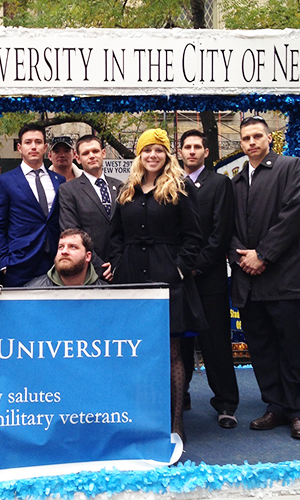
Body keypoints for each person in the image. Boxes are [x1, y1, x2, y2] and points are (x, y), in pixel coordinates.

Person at [107, 128, 207, 445]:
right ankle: (141, 418)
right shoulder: (128, 190)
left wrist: (178, 267)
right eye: (147, 150)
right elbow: (115, 236)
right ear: (139, 155)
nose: (153, 155)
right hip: (133, 278)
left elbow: (194, 237)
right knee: (137, 350)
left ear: (167, 155)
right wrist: (119, 263)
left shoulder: (180, 188)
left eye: (159, 150)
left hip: (169, 279)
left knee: (173, 352)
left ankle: (176, 422)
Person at [228, 116, 300, 440]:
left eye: (256, 136)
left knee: (292, 346)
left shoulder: (291, 167)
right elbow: (228, 228)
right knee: (262, 348)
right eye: (245, 138)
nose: (251, 142)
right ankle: (275, 406)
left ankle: (298, 412)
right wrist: (242, 256)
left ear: (269, 140)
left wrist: (263, 254)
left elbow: (296, 212)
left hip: (287, 278)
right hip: (250, 282)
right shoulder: (237, 182)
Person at [178, 129, 240, 429]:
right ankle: (182, 394)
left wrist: (196, 266)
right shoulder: (172, 184)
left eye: (197, 147)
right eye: (187, 147)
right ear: (180, 152)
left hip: (209, 277)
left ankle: (226, 403)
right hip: (179, 279)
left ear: (206, 152)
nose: (191, 151)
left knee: (215, 344)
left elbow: (220, 233)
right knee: (182, 342)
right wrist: (179, 267)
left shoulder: (219, 183)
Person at [0, 123, 66, 287]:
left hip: (54, 260)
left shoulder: (59, 180)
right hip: (19, 262)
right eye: (28, 142)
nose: (33, 147)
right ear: (19, 147)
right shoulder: (5, 181)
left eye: (38, 142)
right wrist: (3, 263)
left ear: (45, 148)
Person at [58, 134, 122, 270]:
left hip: (122, 265)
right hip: (88, 268)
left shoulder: (121, 186)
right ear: (78, 158)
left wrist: (118, 264)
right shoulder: (68, 190)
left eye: (95, 151)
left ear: (103, 153)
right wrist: (100, 266)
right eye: (86, 153)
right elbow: (72, 233)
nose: (91, 156)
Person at [25, 229, 108, 287]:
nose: (64, 251)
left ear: (88, 256)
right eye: (60, 247)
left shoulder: (107, 295)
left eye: (73, 247)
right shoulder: (33, 291)